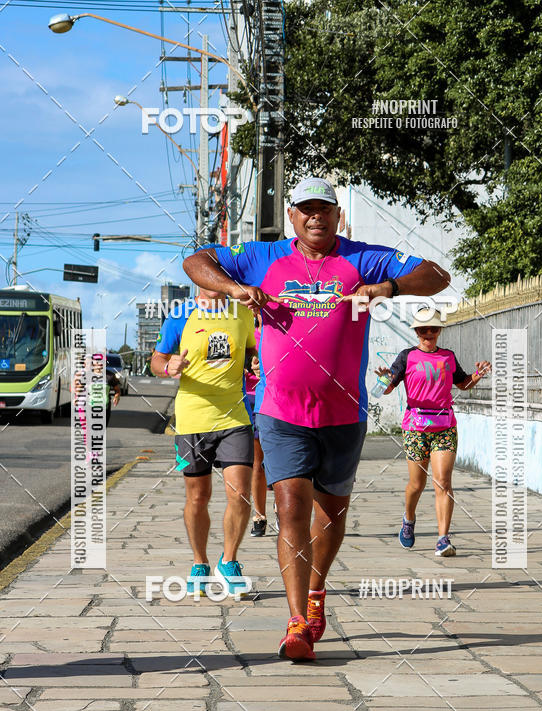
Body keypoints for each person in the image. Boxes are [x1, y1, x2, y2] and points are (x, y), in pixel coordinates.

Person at [182, 176, 450, 660]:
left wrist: (388, 286)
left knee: (331, 516)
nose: (315, 217)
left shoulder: (363, 258)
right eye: (305, 209)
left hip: (345, 413)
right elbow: (196, 260)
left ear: (337, 215)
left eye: (324, 209)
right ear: (292, 216)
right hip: (281, 411)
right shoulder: (262, 258)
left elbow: (437, 275)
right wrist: (235, 288)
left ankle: (317, 592)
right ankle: (297, 623)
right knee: (290, 509)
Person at [151, 289, 257, 596]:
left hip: (235, 417)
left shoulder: (242, 313)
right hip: (191, 421)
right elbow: (157, 360)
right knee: (198, 497)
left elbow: (252, 349)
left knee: (240, 493)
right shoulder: (179, 314)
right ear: (197, 280)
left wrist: (253, 363)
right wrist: (168, 367)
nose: (213, 281)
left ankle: (230, 560)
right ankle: (200, 563)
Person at [375, 308, 491, 557]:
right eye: (423, 329)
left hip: (444, 427)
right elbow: (386, 389)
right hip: (416, 427)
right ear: (416, 332)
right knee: (417, 484)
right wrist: (385, 379)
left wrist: (478, 374)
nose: (429, 333)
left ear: (439, 331)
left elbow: (463, 384)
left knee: (444, 482)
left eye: (434, 329)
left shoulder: (448, 356)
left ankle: (443, 539)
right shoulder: (407, 357)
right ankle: (408, 518)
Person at [244, 316, 269, 537]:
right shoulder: (245, 331)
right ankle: (259, 515)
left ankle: (284, 511)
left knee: (280, 462)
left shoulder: (279, 331)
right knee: (257, 463)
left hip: (276, 400)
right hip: (251, 399)